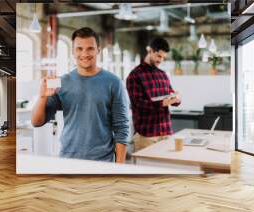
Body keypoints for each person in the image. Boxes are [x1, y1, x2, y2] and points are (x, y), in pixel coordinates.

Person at [31, 27, 129, 163]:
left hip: (102, 160)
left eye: (90, 48)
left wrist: (119, 168)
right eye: (79, 48)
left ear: (98, 50)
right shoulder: (61, 82)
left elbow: (121, 127)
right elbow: (37, 122)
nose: (85, 53)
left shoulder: (113, 82)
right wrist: (42, 97)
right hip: (68, 159)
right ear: (73, 51)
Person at [126, 37, 181, 151]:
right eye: (158, 56)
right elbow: (138, 104)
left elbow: (169, 95)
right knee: (146, 169)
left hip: (166, 133)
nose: (160, 60)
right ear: (150, 51)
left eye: (163, 58)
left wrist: (176, 99)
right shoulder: (134, 75)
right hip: (146, 136)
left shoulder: (163, 75)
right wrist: (162, 103)